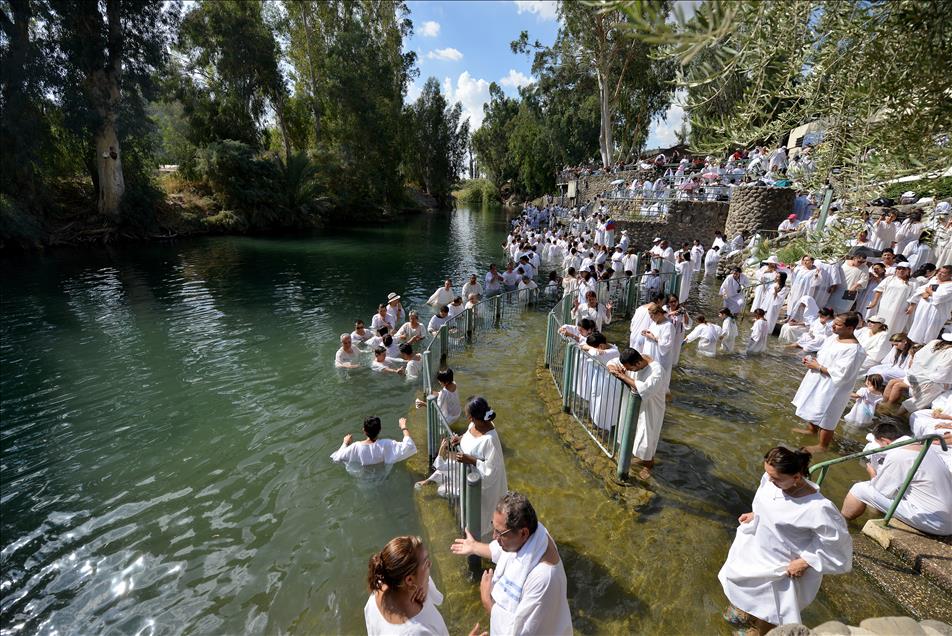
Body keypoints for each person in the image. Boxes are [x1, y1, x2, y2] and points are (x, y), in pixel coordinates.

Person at [718, 447, 852, 634]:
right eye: (768, 474)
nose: (769, 480)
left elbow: (837, 545)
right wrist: (755, 514)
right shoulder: (771, 480)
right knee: (743, 582)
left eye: (776, 478)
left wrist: (806, 561)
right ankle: (746, 611)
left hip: (784, 564)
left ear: (796, 478)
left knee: (772, 607)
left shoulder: (818, 508)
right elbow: (767, 502)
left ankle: (760, 631)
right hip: (757, 547)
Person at [450, 492, 572, 636]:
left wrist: (487, 601)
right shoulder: (533, 535)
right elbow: (504, 551)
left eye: (500, 533)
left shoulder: (544, 579)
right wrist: (474, 547)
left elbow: (520, 633)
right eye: (493, 528)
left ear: (523, 533)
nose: (494, 537)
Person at [842, 421, 952, 536]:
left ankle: (842, 521)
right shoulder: (924, 447)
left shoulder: (898, 456)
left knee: (859, 489)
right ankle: (872, 516)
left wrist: (872, 471)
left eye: (880, 445)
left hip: (935, 521)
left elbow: (880, 490)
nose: (880, 448)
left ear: (885, 441)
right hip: (945, 516)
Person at [791, 312, 867, 451]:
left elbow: (843, 374)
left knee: (827, 415)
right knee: (814, 406)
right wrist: (812, 361)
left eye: (838, 325)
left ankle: (823, 446)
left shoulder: (854, 350)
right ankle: (812, 430)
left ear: (850, 328)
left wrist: (818, 367)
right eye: (834, 323)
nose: (833, 326)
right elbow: (823, 355)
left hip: (834, 388)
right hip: (819, 378)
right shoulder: (833, 338)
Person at [365, 535, 455, 636]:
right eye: (426, 563)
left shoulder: (377, 591)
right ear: (409, 580)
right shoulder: (417, 631)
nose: (430, 564)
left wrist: (424, 585)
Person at [609, 348, 667, 478]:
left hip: (651, 409)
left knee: (647, 439)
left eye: (630, 368)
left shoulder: (656, 370)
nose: (628, 370)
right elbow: (612, 362)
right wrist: (613, 368)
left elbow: (646, 389)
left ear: (637, 363)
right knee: (631, 433)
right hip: (635, 405)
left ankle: (648, 465)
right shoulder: (635, 359)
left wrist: (622, 375)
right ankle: (640, 459)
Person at [454, 397, 508, 539]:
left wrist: (470, 460)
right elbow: (468, 436)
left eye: (469, 417)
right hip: (469, 479)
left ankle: (481, 544)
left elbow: (492, 472)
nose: (468, 420)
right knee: (468, 508)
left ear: (475, 417)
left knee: (482, 515)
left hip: (484, 487)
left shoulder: (490, 439)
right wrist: (459, 439)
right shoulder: (474, 425)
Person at [331, 416, 416, 467]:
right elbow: (409, 446)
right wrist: (403, 426)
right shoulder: (386, 444)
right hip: (383, 478)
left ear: (364, 430)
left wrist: (345, 443)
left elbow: (336, 458)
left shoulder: (355, 447)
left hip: (363, 481)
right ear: (380, 430)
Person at [907, 265, 952, 344]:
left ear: (950, 275)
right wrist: (925, 293)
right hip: (923, 308)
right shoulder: (934, 279)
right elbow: (921, 288)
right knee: (917, 327)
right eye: (939, 272)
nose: (939, 274)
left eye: (943, 273)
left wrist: (929, 291)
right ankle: (912, 344)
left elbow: (940, 297)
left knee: (930, 330)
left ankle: (924, 346)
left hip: (936, 312)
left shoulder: (950, 285)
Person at [866, 263, 915, 335]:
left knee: (895, 326)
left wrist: (912, 306)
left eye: (903, 269)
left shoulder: (913, 282)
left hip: (900, 309)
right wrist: (874, 302)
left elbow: (914, 296)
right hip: (885, 306)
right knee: (881, 323)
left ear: (909, 270)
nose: (901, 271)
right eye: (899, 268)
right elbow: (879, 290)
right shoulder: (890, 279)